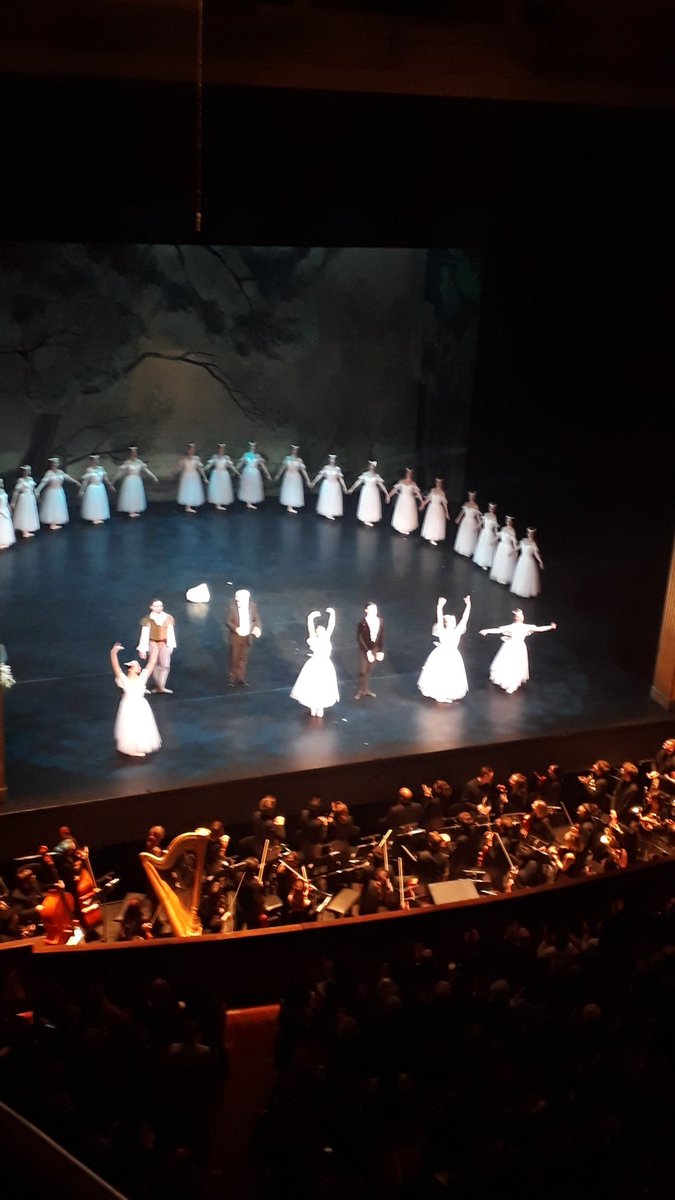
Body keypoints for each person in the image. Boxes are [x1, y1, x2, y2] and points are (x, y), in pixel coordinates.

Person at [480, 608, 557, 694]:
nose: (522, 617)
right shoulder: (514, 627)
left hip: (516, 647)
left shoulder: (525, 627)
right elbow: (498, 630)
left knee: (515, 665)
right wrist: (487, 631)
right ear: (517, 618)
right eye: (520, 616)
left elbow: (539, 629)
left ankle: (512, 683)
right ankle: (509, 682)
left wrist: (550, 627)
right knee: (510, 664)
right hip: (512, 647)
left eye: (522, 616)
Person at [110, 642, 161, 757]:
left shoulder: (142, 677)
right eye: (137, 666)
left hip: (140, 705)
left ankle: (137, 745)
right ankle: (130, 748)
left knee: (140, 725)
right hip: (129, 705)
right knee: (130, 726)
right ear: (131, 669)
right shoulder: (124, 679)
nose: (139, 667)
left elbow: (151, 663)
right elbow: (116, 667)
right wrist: (113, 653)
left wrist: (155, 650)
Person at [418, 595, 471, 704]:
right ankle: (439, 694)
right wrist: (440, 606)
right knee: (440, 673)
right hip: (442, 654)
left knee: (450, 674)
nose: (454, 623)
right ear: (447, 623)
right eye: (451, 621)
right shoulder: (442, 630)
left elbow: (465, 618)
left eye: (454, 621)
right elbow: (439, 617)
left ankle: (447, 693)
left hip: (453, 655)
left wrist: (468, 605)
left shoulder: (457, 631)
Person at [290, 608, 339, 718]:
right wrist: (311, 617)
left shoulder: (326, 637)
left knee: (322, 685)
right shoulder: (314, 639)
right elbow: (310, 628)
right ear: (317, 632)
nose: (320, 631)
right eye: (318, 630)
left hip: (325, 665)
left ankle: (320, 706)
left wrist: (332, 614)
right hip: (314, 664)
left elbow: (331, 625)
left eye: (322, 630)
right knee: (312, 684)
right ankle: (313, 706)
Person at [137, 599, 177, 694]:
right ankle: (153, 685)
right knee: (153, 664)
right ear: (151, 607)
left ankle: (161, 686)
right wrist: (142, 649)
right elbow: (144, 635)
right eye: (156, 606)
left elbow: (171, 633)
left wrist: (171, 645)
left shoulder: (168, 618)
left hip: (164, 643)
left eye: (160, 606)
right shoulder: (148, 619)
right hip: (153, 643)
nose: (159, 608)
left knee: (165, 665)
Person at [226, 588, 262, 685]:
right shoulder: (232, 608)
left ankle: (241, 677)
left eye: (240, 599)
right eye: (237, 600)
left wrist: (257, 628)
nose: (238, 601)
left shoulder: (253, 606)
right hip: (236, 638)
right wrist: (236, 629)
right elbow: (228, 622)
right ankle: (233, 677)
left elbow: (256, 620)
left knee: (243, 658)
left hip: (247, 637)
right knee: (234, 658)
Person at [114, 447, 158, 518]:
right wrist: (114, 479)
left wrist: (153, 476)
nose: (134, 454)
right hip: (130, 480)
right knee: (130, 495)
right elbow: (121, 472)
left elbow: (146, 470)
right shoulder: (127, 463)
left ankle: (135, 509)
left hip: (137, 480)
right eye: (132, 453)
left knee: (136, 495)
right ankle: (131, 510)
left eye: (135, 453)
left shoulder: (139, 462)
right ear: (130, 454)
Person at [36, 457, 79, 529]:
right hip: (51, 492)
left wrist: (76, 482)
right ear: (51, 465)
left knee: (59, 506)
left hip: (59, 491)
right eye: (53, 463)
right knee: (52, 506)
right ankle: (52, 522)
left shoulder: (60, 472)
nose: (55, 465)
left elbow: (68, 478)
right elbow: (43, 482)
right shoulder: (49, 473)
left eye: (56, 463)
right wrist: (38, 490)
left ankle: (56, 521)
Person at [355, 601, 384, 699]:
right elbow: (360, 638)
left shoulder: (380, 621)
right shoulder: (363, 623)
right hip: (365, 649)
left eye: (375, 609)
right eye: (371, 609)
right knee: (363, 670)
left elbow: (381, 636)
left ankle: (366, 688)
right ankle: (360, 690)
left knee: (369, 669)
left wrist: (380, 650)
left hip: (375, 648)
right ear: (366, 610)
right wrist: (367, 652)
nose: (374, 611)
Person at [347, 460, 389, 527]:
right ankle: (365, 518)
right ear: (369, 466)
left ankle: (370, 517)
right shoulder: (365, 474)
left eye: (373, 466)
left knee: (372, 504)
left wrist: (386, 493)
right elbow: (358, 482)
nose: (372, 467)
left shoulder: (376, 476)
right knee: (366, 503)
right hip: (366, 491)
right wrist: (352, 488)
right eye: (371, 465)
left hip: (374, 491)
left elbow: (381, 485)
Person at [274, 445, 311, 514]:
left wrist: (307, 479)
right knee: (289, 489)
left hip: (296, 477)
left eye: (296, 450)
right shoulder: (287, 459)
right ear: (291, 450)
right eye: (293, 450)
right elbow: (282, 468)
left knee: (294, 490)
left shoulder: (299, 460)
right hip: (288, 476)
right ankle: (289, 506)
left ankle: (292, 504)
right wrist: (278, 475)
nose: (294, 451)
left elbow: (303, 470)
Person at [79, 454, 115, 524]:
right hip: (93, 488)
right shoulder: (89, 469)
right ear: (91, 461)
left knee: (100, 502)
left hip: (100, 487)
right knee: (93, 502)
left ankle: (99, 516)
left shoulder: (101, 468)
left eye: (97, 459)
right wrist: (82, 491)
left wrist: (110, 485)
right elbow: (86, 481)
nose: (96, 461)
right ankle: (93, 517)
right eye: (94, 460)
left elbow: (105, 478)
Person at [310, 453, 348, 520]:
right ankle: (326, 511)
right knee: (326, 497)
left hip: (335, 485)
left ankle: (332, 511)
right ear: (329, 460)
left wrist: (344, 487)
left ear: (335, 460)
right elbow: (320, 475)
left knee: (333, 498)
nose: (332, 460)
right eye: (331, 459)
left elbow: (340, 478)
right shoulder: (326, 467)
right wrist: (314, 481)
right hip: (327, 484)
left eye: (333, 459)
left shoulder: (337, 469)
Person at [236, 441, 272, 509]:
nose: (253, 448)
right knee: (247, 486)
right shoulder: (246, 455)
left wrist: (268, 474)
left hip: (255, 473)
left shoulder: (257, 456)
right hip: (247, 472)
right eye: (251, 446)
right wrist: (235, 470)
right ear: (249, 447)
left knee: (253, 486)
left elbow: (263, 466)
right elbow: (240, 464)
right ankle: (248, 502)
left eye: (254, 446)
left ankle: (250, 501)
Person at [387, 467, 423, 535]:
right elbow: (395, 489)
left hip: (410, 500)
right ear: (406, 473)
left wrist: (422, 502)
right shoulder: (401, 481)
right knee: (402, 512)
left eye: (410, 473)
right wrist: (389, 495)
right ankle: (401, 527)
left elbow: (418, 493)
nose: (409, 474)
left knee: (408, 513)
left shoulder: (413, 483)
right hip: (402, 499)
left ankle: (407, 527)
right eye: (408, 473)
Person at [511, 527, 544, 598]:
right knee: (520, 574)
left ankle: (525, 590)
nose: (530, 535)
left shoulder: (533, 544)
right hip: (522, 559)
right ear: (527, 533)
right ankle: (519, 588)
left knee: (526, 575)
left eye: (532, 534)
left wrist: (540, 561)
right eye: (529, 533)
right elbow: (518, 547)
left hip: (529, 561)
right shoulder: (524, 541)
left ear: (533, 535)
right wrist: (512, 551)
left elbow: (536, 553)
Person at [204, 443, 239, 511]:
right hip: (216, 474)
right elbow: (209, 465)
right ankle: (217, 503)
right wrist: (204, 469)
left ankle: (221, 501)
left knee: (223, 488)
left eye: (223, 449)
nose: (221, 450)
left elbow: (231, 466)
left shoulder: (226, 457)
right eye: (220, 449)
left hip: (224, 474)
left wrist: (237, 472)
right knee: (217, 488)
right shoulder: (215, 457)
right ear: (218, 450)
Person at [176, 443, 207, 513]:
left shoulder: (196, 458)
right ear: (188, 450)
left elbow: (200, 468)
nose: (192, 450)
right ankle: (188, 506)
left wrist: (204, 477)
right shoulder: (184, 458)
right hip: (186, 475)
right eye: (190, 449)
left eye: (193, 449)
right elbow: (179, 467)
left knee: (193, 489)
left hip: (194, 476)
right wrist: (174, 472)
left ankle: (191, 503)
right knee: (187, 489)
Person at [11, 465, 40, 538]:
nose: (26, 472)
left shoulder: (31, 479)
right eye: (25, 471)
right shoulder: (20, 480)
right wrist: (13, 501)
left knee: (30, 513)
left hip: (30, 498)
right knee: (24, 513)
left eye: (28, 471)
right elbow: (16, 491)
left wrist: (37, 495)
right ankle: (24, 530)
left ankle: (27, 528)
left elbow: (34, 489)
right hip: (24, 498)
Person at [419, 478, 450, 546]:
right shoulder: (432, 490)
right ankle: (430, 536)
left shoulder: (442, 492)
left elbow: (444, 503)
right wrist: (423, 504)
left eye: (440, 483)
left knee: (437, 522)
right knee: (431, 521)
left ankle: (434, 537)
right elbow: (428, 499)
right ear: (436, 483)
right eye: (437, 482)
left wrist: (446, 512)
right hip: (432, 507)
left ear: (441, 484)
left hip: (438, 508)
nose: (438, 484)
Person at [490, 515, 518, 585]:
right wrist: (493, 541)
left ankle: (503, 578)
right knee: (500, 560)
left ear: (512, 523)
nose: (508, 522)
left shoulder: (512, 531)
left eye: (510, 521)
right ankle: (498, 575)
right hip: (501, 546)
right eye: (507, 521)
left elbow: (514, 542)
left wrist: (515, 550)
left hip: (507, 547)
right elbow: (498, 536)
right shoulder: (503, 528)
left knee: (505, 563)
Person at [453, 490, 482, 557]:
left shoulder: (475, 506)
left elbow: (478, 517)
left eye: (472, 496)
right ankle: (462, 549)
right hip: (465, 521)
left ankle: (467, 551)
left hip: (471, 522)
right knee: (463, 534)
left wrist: (479, 524)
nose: (471, 497)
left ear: (474, 497)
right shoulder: (466, 504)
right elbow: (462, 512)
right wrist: (458, 518)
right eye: (470, 496)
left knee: (469, 536)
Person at [473, 501, 499, 570]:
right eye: (491, 508)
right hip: (484, 532)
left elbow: (495, 528)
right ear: (489, 508)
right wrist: (476, 528)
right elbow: (481, 523)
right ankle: (480, 560)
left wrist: (497, 536)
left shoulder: (494, 517)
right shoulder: (486, 515)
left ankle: (485, 563)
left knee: (487, 547)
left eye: (493, 508)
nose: (492, 509)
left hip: (490, 533)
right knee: (482, 545)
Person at [0, 478, 16, 549]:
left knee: (5, 525)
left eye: (2, 483)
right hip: (1, 511)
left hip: (5, 509)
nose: (1, 484)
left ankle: (5, 540)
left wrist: (9, 509)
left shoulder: (3, 491)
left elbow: (6, 501)